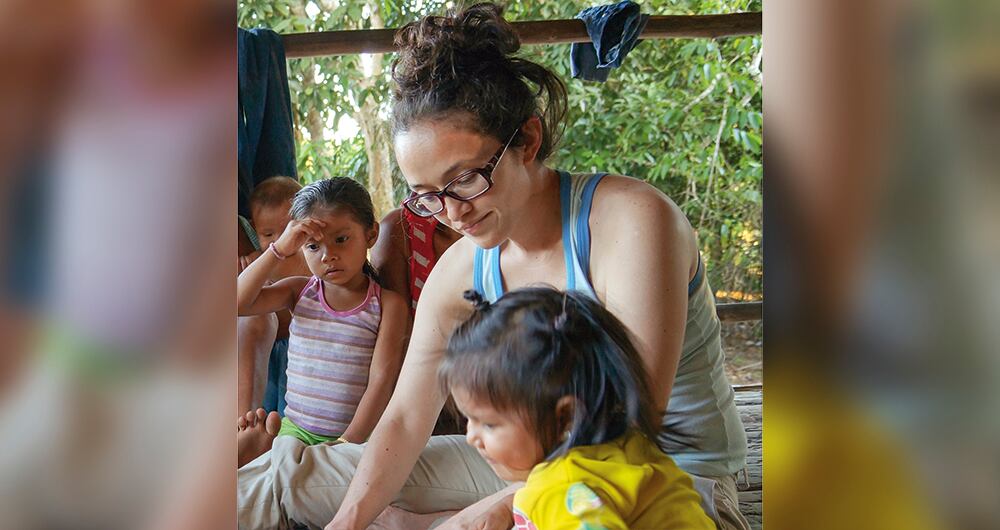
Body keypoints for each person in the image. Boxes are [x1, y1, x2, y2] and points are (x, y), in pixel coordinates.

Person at [238, 4, 748, 530]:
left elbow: (623, 429)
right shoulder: (462, 269)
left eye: (464, 180)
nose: (454, 212)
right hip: (524, 465)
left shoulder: (632, 221)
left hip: (659, 486)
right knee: (298, 475)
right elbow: (408, 417)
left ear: (526, 141)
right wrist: (347, 522)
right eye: (427, 196)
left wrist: (485, 515)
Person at [440, 287, 715, 530]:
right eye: (469, 419)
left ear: (566, 417)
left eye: (488, 424)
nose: (471, 437)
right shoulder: (624, 448)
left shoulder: (564, 489)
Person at [236, 177, 409, 467]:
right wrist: (278, 249)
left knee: (318, 488)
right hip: (295, 432)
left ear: (370, 234)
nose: (328, 256)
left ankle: (261, 458)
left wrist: (345, 444)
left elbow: (381, 381)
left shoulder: (389, 305)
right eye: (313, 246)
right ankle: (260, 451)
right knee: (283, 483)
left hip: (356, 438)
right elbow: (238, 304)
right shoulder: (298, 291)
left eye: (341, 240)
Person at [238, 176, 311, 416]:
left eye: (287, 230)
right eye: (268, 234)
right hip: (266, 351)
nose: (281, 241)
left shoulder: (311, 256)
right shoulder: (258, 261)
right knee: (265, 411)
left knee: (291, 412)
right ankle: (244, 426)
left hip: (301, 347)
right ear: (253, 228)